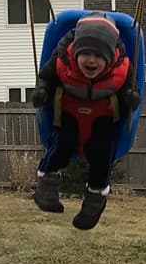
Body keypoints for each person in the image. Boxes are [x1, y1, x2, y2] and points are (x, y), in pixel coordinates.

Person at [32, 15, 139, 230]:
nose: (91, 60)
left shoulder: (122, 69)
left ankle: (94, 199)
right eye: (86, 53)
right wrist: (42, 91)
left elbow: (131, 91)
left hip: (102, 120)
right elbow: (45, 77)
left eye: (99, 56)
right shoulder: (62, 61)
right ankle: (46, 186)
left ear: (110, 56)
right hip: (68, 115)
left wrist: (130, 98)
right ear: (76, 51)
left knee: (102, 155)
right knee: (61, 146)